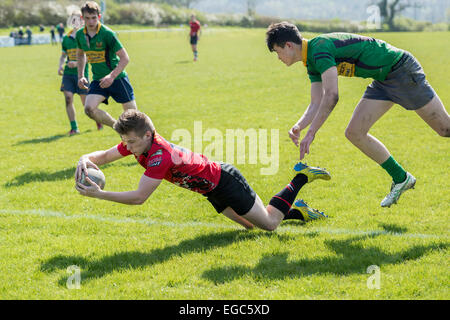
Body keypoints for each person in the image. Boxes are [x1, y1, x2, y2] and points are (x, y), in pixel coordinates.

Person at [266, 22, 450, 208]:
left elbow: (332, 96)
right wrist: (300, 126)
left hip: (400, 70)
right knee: (354, 132)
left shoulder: (319, 49)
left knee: (445, 128)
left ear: (289, 45)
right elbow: (316, 102)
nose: (278, 58)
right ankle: (401, 178)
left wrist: (312, 132)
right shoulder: (311, 61)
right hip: (382, 79)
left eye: (277, 51)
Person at [75, 110, 331, 231]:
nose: (127, 148)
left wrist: (99, 194)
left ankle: (301, 176)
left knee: (270, 225)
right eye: (126, 142)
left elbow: (140, 197)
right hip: (210, 190)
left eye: (131, 142)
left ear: (148, 135)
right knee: (250, 228)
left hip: (226, 181)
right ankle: (299, 212)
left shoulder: (158, 156)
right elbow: (106, 155)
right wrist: (84, 158)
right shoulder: (139, 144)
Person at [76, 1, 138, 128]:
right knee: (89, 109)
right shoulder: (79, 35)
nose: (91, 22)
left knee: (134, 118)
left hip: (118, 78)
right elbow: (80, 54)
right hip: (98, 80)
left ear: (99, 16)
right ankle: (118, 127)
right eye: (87, 18)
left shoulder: (107, 33)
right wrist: (81, 75)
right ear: (82, 18)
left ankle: (152, 140)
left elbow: (125, 58)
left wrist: (111, 76)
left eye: (94, 18)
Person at [58, 13, 102, 136]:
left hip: (81, 74)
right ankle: (74, 127)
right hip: (68, 74)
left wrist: (77, 63)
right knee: (68, 99)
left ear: (82, 21)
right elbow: (63, 55)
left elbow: (89, 56)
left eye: (77, 19)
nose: (75, 22)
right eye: (73, 20)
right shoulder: (66, 38)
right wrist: (60, 65)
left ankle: (98, 121)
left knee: (86, 104)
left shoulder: (85, 37)